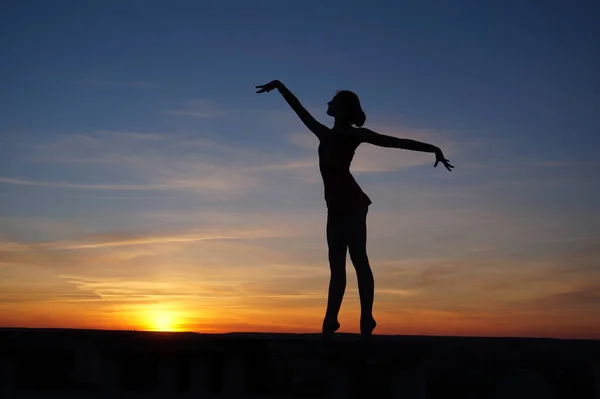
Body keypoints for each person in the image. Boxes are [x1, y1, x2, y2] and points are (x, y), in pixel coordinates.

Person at [256, 80, 454, 338]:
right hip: (334, 205)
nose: (327, 103)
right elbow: (299, 108)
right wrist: (280, 87)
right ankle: (330, 320)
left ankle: (366, 318)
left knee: (358, 259)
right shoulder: (324, 133)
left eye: (333, 101)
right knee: (336, 265)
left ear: (344, 109)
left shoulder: (353, 134)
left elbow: (393, 141)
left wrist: (433, 148)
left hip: (352, 202)